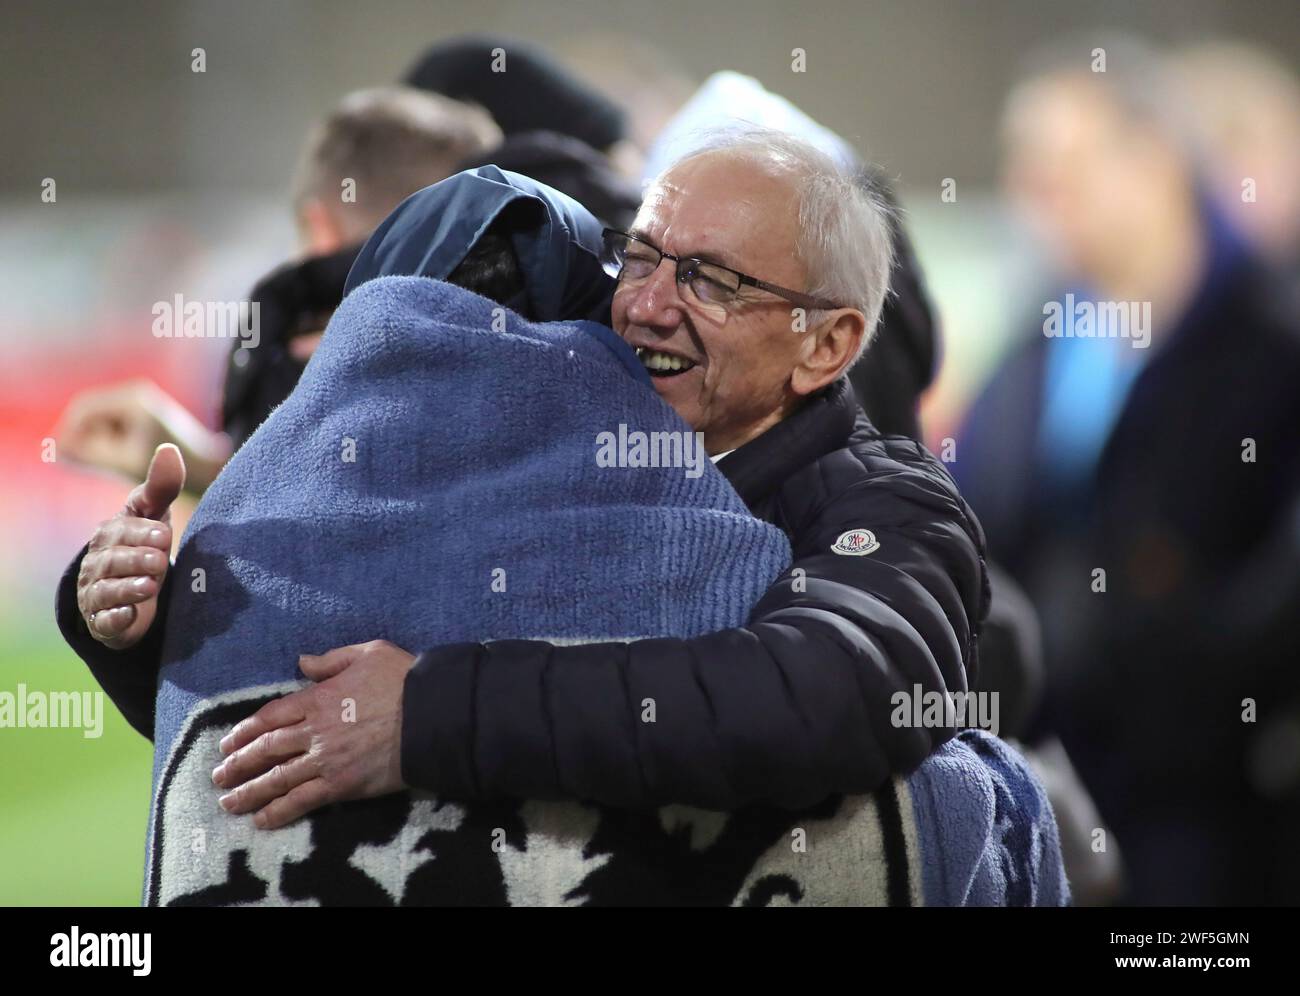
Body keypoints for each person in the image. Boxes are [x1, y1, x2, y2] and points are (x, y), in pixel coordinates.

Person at [63, 126, 990, 820]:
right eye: (642, 256)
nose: (648, 306)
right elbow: (288, 733)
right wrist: (131, 619)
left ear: (826, 345)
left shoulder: (890, 505)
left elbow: (826, 697)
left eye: (712, 280)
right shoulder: (548, 424)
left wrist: (430, 716)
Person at [956, 41, 1300, 904]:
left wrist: (1201, 677)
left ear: (1150, 160)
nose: (1034, 193)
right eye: (1023, 166)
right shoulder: (1041, 343)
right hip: (1056, 775)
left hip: (1222, 797)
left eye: (1059, 163)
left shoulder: (1267, 339)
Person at [55, 86, 501, 493]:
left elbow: (292, 545)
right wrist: (198, 464)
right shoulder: (529, 346)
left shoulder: (300, 357)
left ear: (319, 228)